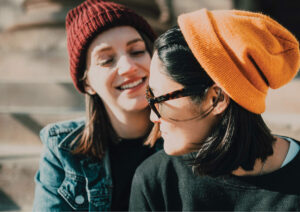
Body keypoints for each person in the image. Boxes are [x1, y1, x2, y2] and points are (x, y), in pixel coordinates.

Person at [129, 9, 300, 211]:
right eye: (149, 97)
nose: (152, 116)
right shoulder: (159, 180)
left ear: (216, 99)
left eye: (159, 99)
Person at [33, 0, 158, 211]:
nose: (127, 67)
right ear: (87, 83)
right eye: (107, 60)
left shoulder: (189, 137)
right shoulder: (63, 150)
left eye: (137, 51)